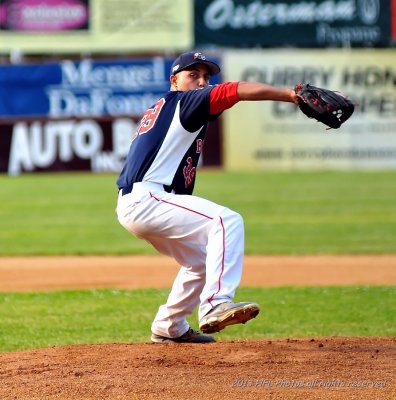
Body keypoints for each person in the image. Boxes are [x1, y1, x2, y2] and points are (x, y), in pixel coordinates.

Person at [116, 51, 298, 343]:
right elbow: (233, 90)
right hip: (148, 199)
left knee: (199, 262)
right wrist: (290, 94)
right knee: (226, 221)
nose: (202, 82)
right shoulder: (185, 102)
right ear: (174, 80)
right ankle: (215, 304)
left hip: (138, 202)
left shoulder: (166, 106)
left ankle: (169, 326)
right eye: (193, 75)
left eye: (206, 77)